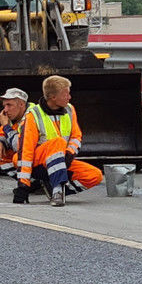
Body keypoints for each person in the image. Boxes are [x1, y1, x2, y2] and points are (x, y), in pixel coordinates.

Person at [15, 74, 103, 207]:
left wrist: (69, 153)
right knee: (58, 142)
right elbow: (26, 151)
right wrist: (23, 184)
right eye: (66, 94)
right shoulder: (33, 115)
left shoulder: (70, 109)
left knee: (95, 175)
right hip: (38, 163)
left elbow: (76, 137)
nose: (69, 97)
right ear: (53, 97)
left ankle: (58, 190)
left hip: (61, 159)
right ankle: (57, 190)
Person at [0, 87, 29, 178]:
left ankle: (28, 180)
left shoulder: (31, 117)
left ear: (21, 104)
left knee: (17, 158)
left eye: (9, 105)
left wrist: (6, 126)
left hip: (40, 155)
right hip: (30, 155)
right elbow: (1, 134)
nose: (5, 110)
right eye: (4, 106)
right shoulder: (16, 117)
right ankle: (30, 182)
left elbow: (19, 146)